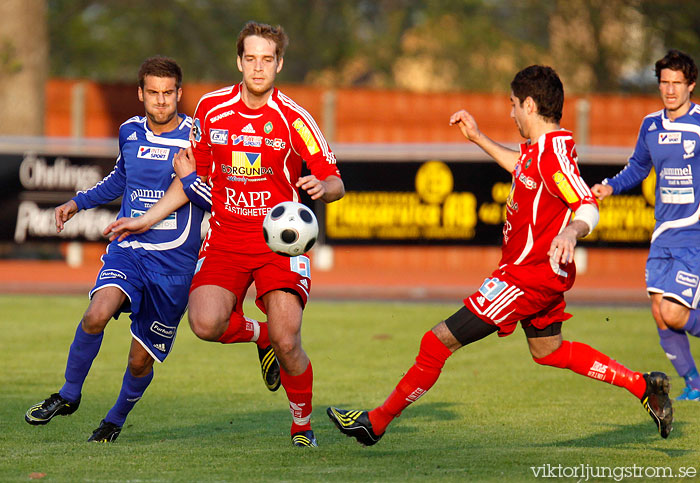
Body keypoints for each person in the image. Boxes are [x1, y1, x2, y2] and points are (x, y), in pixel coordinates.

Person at [327, 65, 674, 446]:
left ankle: (374, 423)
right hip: (539, 275)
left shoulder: (554, 155)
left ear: (528, 104)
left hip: (525, 277)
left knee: (437, 341)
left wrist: (572, 231)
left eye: (512, 105)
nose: (510, 113)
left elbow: (587, 204)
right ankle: (643, 386)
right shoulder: (538, 152)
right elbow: (521, 166)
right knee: (548, 350)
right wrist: (478, 138)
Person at [106, 21, 344, 447]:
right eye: (250, 58)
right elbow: (194, 182)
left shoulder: (295, 119)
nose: (258, 67)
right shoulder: (212, 110)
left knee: (289, 339)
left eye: (267, 60)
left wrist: (322, 188)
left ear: (279, 64)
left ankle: (302, 425)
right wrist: (148, 216)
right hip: (225, 239)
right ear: (239, 61)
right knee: (205, 322)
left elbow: (335, 181)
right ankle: (261, 336)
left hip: (278, 244)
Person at [24, 56, 279, 443]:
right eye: (153, 93)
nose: (161, 101)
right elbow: (119, 181)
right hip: (130, 251)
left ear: (179, 94)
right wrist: (77, 203)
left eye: (168, 93)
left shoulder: (199, 136)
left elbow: (217, 198)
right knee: (96, 313)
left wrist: (188, 178)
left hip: (175, 265)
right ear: (141, 94)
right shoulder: (129, 131)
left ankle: (114, 419)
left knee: (139, 360)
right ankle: (68, 394)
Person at [592, 50, 700, 402]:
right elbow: (638, 168)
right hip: (662, 235)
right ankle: (694, 385)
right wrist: (610, 186)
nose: (669, 90)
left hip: (694, 235)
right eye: (664, 83)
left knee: (674, 312)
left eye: (677, 83)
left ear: (691, 86)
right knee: (659, 314)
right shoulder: (651, 125)